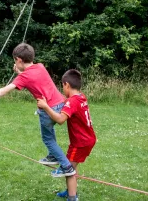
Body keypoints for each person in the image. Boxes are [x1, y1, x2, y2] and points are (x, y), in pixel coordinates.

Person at [0, 43, 76, 176]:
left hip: (47, 108)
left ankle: (66, 166)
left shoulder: (24, 77)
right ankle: (52, 156)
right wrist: (20, 72)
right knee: (50, 133)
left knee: (48, 139)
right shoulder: (40, 66)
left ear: (19, 60)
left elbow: (4, 90)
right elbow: (32, 77)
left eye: (15, 60)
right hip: (60, 104)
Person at [37, 69, 97, 201]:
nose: (62, 88)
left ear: (67, 85)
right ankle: (70, 191)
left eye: (62, 86)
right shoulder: (81, 96)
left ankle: (72, 197)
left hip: (80, 143)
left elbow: (60, 120)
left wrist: (46, 107)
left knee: (68, 169)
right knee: (70, 167)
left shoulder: (72, 102)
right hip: (87, 139)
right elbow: (68, 102)